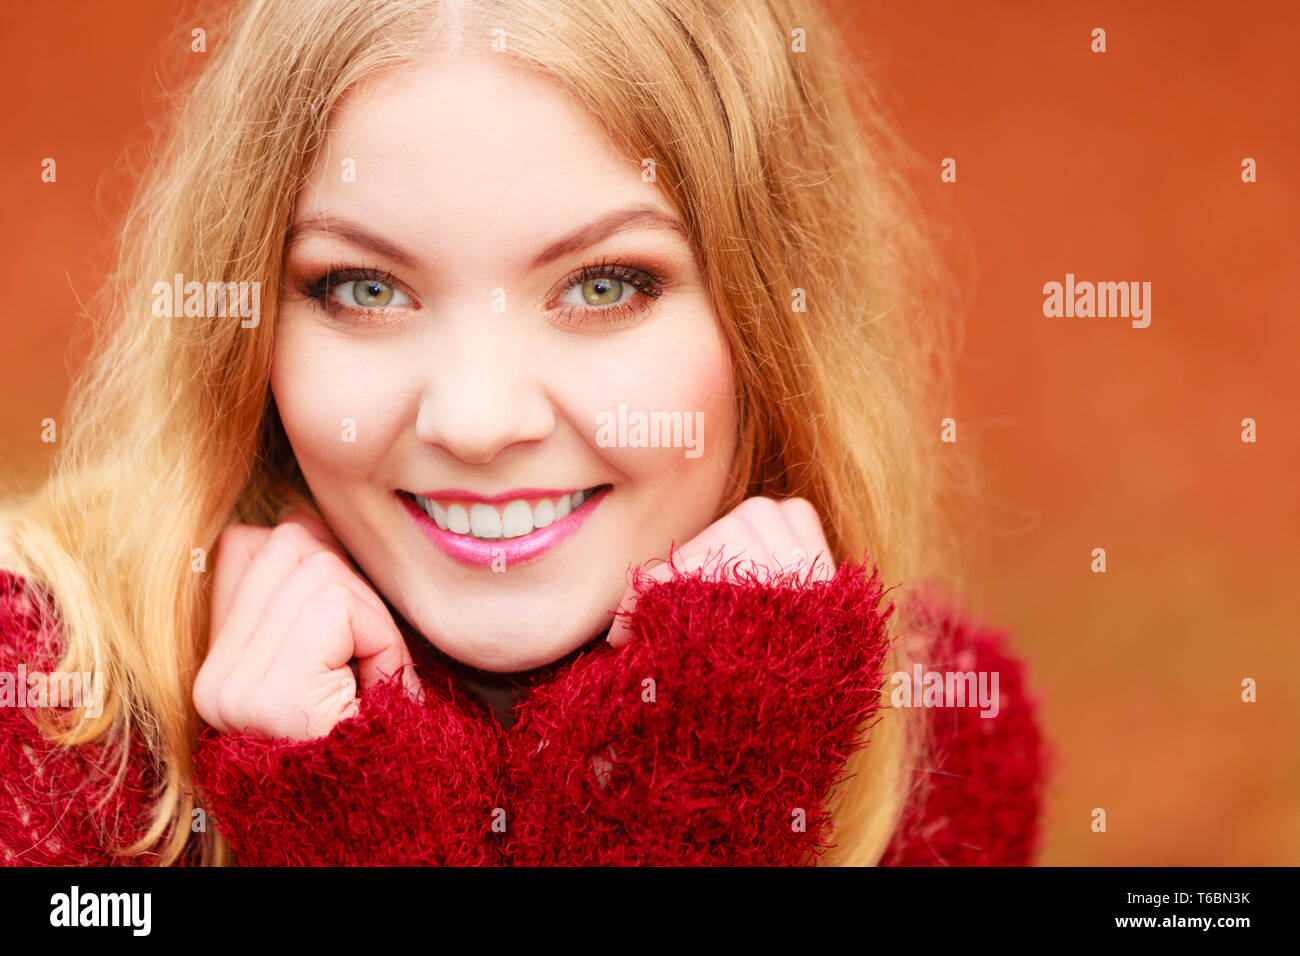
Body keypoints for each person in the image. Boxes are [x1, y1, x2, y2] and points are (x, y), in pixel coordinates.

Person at [0, 0, 1046, 866]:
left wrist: (699, 776)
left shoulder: (938, 736)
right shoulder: (40, 714)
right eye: (364, 286)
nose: (478, 419)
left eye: (603, 284)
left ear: (771, 311)